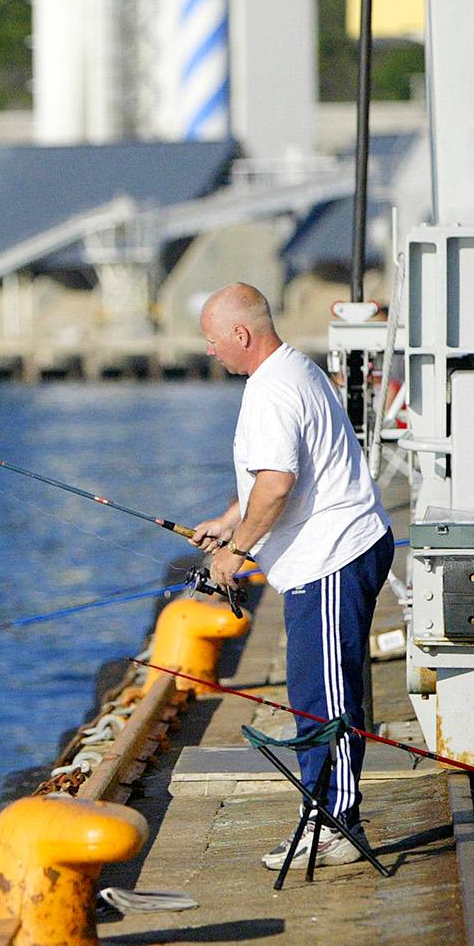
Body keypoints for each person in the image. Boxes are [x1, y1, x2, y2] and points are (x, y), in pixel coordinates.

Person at [190, 283, 394, 869]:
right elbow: (275, 476)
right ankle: (327, 812)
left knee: (323, 697)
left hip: (332, 557)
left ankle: (337, 825)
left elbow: (277, 484)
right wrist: (229, 523)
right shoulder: (292, 370)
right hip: (336, 551)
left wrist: (235, 553)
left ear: (241, 335)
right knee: (314, 691)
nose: (209, 352)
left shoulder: (273, 390)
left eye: (212, 341)